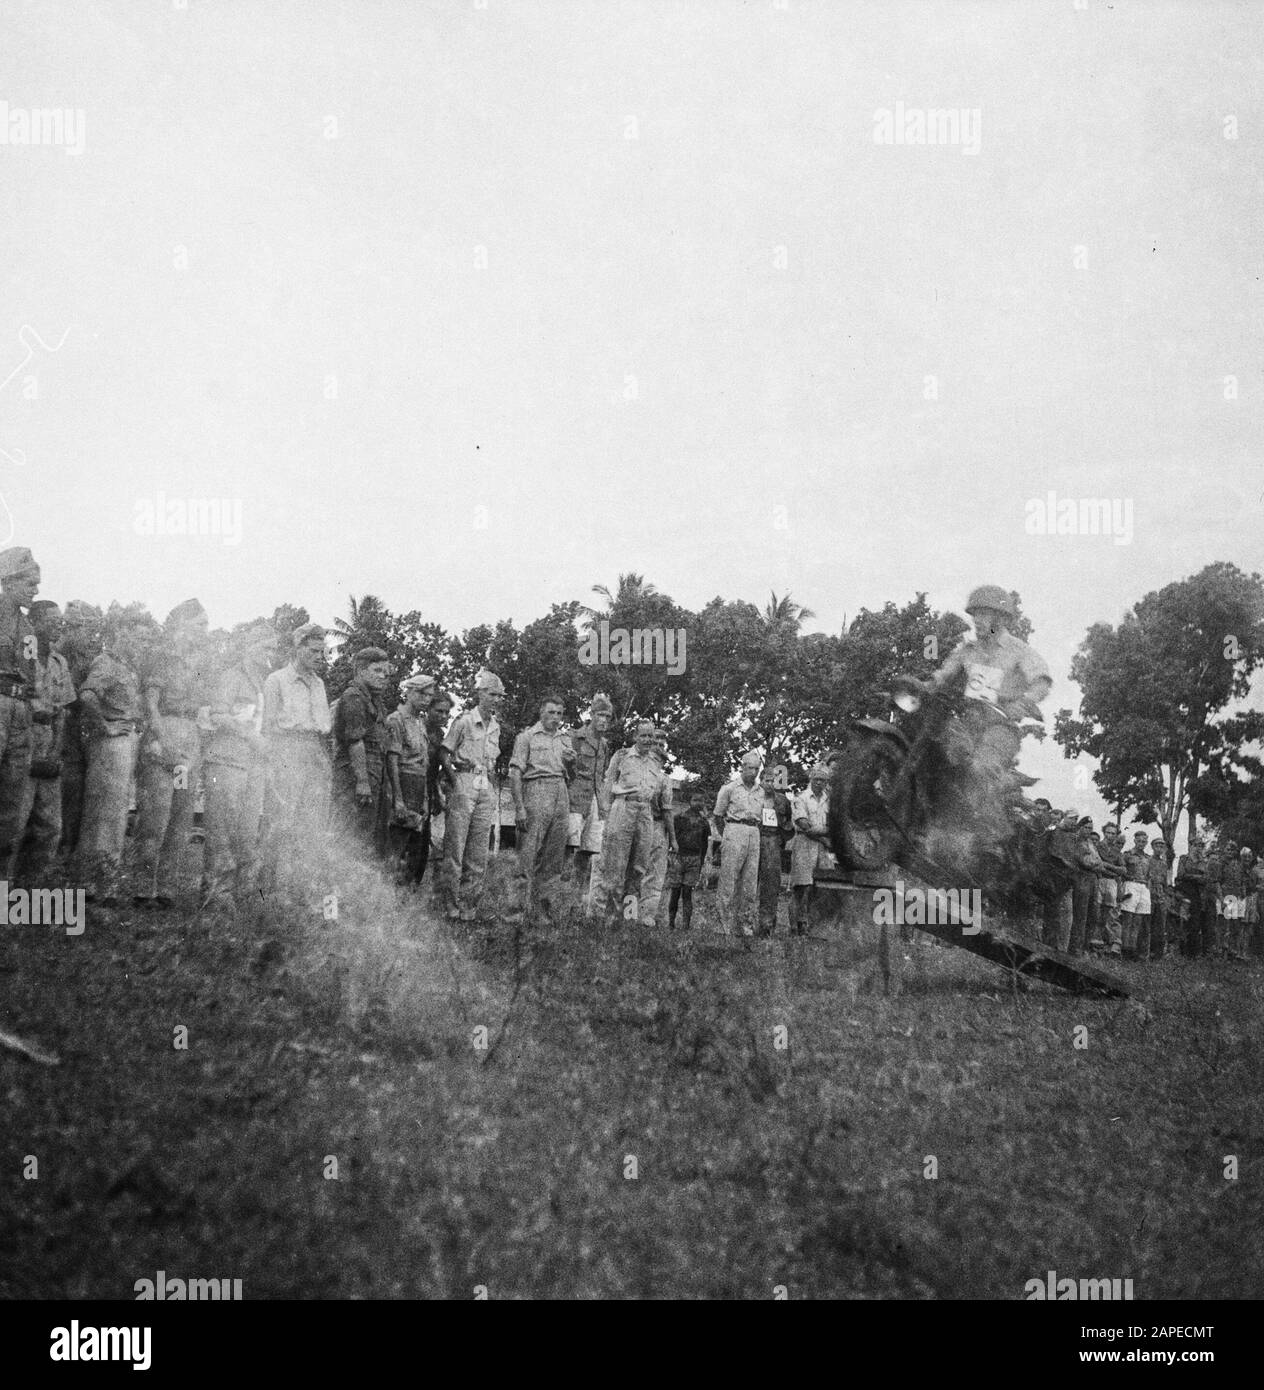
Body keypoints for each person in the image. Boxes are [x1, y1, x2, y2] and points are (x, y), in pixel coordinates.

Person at [927, 585, 1051, 838]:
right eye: (975, 615)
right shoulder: (967, 650)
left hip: (1001, 726)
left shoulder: (1019, 651)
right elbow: (941, 676)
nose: (977, 621)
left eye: (984, 615)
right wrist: (921, 688)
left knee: (979, 768)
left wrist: (1024, 702)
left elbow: (1041, 681)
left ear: (1002, 619)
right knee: (931, 751)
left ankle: (988, 837)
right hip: (967, 721)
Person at [133, 599, 213, 908]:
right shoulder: (161, 657)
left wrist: (196, 746)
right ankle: (142, 888)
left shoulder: (202, 664)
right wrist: (164, 740)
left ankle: (165, 890)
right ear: (182, 625)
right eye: (200, 625)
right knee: (154, 818)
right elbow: (150, 704)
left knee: (180, 816)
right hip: (163, 733)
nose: (204, 631)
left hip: (190, 736)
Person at [201, 620, 275, 901]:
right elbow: (216, 715)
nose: (270, 653)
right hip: (226, 761)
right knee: (221, 830)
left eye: (273, 649)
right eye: (265, 647)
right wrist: (248, 735)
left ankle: (240, 896)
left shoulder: (263, 683)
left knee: (246, 833)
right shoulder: (231, 676)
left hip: (253, 765)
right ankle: (215, 897)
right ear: (250, 647)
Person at [75, 616, 146, 904]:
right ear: (120, 632)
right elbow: (87, 695)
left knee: (116, 812)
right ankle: (89, 883)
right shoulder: (105, 662)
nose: (139, 643)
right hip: (110, 741)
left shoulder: (127, 667)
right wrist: (105, 726)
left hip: (126, 739)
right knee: (102, 812)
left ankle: (106, 882)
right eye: (136, 636)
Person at [262, 623, 332, 894]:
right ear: (298, 648)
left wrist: (321, 758)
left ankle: (300, 888)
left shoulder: (319, 684)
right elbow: (268, 726)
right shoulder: (277, 680)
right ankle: (270, 889)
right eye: (314, 651)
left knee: (311, 824)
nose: (320, 657)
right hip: (287, 752)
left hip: (315, 751)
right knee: (282, 821)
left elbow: (322, 726)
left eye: (322, 651)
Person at [9, 601, 75, 882]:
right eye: (51, 619)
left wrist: (56, 751)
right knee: (14, 820)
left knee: (50, 826)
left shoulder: (59, 662)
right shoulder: (21, 655)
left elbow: (63, 711)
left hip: (49, 740)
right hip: (22, 734)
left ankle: (31, 888)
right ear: (33, 623)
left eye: (60, 620)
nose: (58, 624)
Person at [439, 668, 504, 921]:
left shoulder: (496, 726)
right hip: (465, 779)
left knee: (478, 851)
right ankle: (450, 906)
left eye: (499, 695)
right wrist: (454, 779)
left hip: (485, 784)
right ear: (480, 694)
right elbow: (444, 752)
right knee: (456, 846)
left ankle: (469, 907)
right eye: (491, 694)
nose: (496, 699)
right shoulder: (464, 721)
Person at [508, 693, 575, 921]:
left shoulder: (565, 739)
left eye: (559, 713)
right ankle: (514, 912)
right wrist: (519, 807)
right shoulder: (526, 737)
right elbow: (515, 772)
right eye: (551, 712)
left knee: (553, 857)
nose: (555, 718)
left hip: (561, 791)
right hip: (536, 789)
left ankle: (541, 913)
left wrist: (571, 764)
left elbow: (571, 776)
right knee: (527, 854)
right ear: (541, 713)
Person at [596, 719, 667, 926]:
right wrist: (605, 814)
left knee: (638, 868)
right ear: (635, 736)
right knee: (616, 867)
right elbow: (608, 784)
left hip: (645, 812)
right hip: (623, 807)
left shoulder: (655, 762)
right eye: (643, 735)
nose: (647, 740)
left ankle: (627, 918)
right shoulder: (622, 756)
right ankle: (610, 919)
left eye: (651, 736)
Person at [0, 546, 40, 873]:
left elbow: (32, 676)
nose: (36, 590)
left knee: (12, 802)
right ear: (9, 581)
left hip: (20, 709)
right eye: (29, 583)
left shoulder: (28, 630)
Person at [332, 647, 392, 854]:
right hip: (355, 772)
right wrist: (363, 782)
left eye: (386, 671)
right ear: (360, 671)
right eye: (377, 670)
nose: (384, 676)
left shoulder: (374, 699)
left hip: (372, 769)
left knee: (365, 833)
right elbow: (355, 742)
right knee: (350, 832)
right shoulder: (354, 697)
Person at [56, 599, 102, 860]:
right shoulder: (59, 653)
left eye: (86, 629)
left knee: (77, 790)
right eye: (79, 628)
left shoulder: (85, 655)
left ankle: (69, 851)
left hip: (78, 729)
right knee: (66, 788)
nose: (85, 635)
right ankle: (61, 851)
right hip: (63, 725)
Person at [384, 673, 435, 884]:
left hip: (418, 787)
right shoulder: (396, 720)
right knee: (395, 850)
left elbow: (423, 763)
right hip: (402, 785)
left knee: (414, 852)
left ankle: (404, 903)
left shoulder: (420, 722)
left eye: (430, 695)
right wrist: (397, 799)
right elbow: (392, 762)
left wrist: (423, 798)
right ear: (410, 692)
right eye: (422, 694)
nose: (427, 699)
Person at [712, 752, 766, 937]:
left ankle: (745, 925)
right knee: (728, 880)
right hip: (734, 829)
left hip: (754, 831)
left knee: (750, 883)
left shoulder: (761, 792)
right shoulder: (729, 788)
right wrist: (727, 835)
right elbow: (718, 815)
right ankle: (723, 925)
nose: (754, 772)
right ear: (742, 767)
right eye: (750, 768)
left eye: (757, 769)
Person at [564, 695, 611, 890]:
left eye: (608, 717)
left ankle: (574, 899)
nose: (604, 720)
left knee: (588, 851)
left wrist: (603, 804)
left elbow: (601, 776)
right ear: (591, 714)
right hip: (575, 799)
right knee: (567, 847)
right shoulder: (575, 737)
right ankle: (558, 897)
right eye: (600, 715)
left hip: (595, 802)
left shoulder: (604, 745)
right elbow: (564, 769)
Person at [639, 727, 677, 926]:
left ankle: (645, 916)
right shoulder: (639, 770)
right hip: (639, 822)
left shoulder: (664, 779)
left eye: (663, 745)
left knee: (653, 873)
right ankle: (631, 913)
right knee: (638, 872)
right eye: (657, 745)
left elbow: (667, 811)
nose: (660, 749)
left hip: (656, 825)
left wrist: (672, 837)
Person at [790, 764, 833, 935]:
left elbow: (832, 824)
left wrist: (824, 833)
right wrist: (825, 835)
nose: (819, 783)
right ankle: (795, 926)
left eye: (823, 780)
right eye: (816, 779)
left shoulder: (828, 800)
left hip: (821, 849)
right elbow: (804, 825)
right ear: (811, 779)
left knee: (820, 886)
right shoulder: (801, 798)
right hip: (804, 844)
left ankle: (811, 925)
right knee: (801, 886)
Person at [417, 689, 453, 887]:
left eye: (447, 713)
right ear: (428, 709)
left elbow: (440, 764)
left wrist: (438, 793)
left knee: (424, 844)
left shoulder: (439, 735)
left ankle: (414, 889)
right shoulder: (417, 727)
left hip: (429, 791)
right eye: (439, 711)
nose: (443, 716)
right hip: (412, 789)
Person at [756, 764, 793, 936]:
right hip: (754, 838)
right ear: (761, 781)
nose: (769, 784)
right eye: (766, 780)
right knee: (748, 881)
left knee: (771, 884)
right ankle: (745, 922)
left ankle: (767, 925)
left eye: (772, 781)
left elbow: (789, 825)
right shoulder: (754, 797)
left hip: (772, 842)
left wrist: (780, 838)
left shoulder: (783, 801)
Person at [666, 789, 710, 930]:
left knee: (687, 892)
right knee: (675, 892)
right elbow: (672, 839)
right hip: (679, 858)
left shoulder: (704, 822)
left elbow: (704, 843)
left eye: (701, 800)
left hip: (694, 859)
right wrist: (670, 857)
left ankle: (686, 925)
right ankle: (671, 922)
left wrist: (701, 861)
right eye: (695, 800)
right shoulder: (679, 818)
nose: (698, 803)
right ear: (689, 801)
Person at [1092, 823, 1126, 956]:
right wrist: (1113, 868)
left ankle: (1103, 945)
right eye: (1108, 832)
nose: (1110, 835)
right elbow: (1098, 864)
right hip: (1099, 880)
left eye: (1113, 833)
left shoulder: (1117, 851)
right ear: (1104, 832)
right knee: (1096, 911)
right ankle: (1093, 944)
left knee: (1108, 914)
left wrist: (1108, 867)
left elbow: (1123, 869)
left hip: (1111, 883)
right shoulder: (1097, 846)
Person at [1175, 834, 1212, 958]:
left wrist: (1193, 876)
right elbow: (1181, 875)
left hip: (1198, 894)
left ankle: (1192, 953)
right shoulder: (1184, 859)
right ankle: (1182, 951)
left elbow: (1206, 879)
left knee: (1195, 923)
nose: (1198, 848)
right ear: (1190, 846)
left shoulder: (1203, 862)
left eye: (1201, 846)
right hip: (1184, 892)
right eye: (1196, 845)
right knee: (1183, 920)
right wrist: (1197, 877)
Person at [1120, 831, 1153, 961]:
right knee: (1128, 918)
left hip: (1143, 887)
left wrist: (1148, 889)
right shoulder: (1127, 855)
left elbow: (1149, 876)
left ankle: (1132, 949)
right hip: (1131, 884)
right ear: (1134, 841)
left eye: (1144, 841)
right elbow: (1122, 871)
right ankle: (1124, 948)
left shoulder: (1148, 858)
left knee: (1138, 920)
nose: (1141, 844)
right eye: (1139, 841)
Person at [1148, 837, 1172, 960]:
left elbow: (1166, 883)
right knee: (1148, 923)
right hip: (1149, 893)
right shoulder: (1148, 860)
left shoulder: (1164, 864)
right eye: (1157, 845)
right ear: (1152, 847)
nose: (1159, 848)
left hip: (1161, 895)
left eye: (1162, 846)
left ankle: (1158, 953)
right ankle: (1147, 950)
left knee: (1160, 925)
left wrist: (1167, 897)